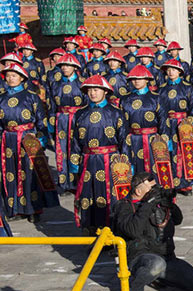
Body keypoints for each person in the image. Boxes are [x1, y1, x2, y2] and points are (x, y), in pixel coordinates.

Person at [112, 172, 193, 291]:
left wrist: (169, 204)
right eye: (151, 189)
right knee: (156, 264)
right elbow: (133, 230)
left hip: (166, 257)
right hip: (139, 256)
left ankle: (157, 278)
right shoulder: (124, 206)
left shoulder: (156, 203)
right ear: (138, 191)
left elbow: (178, 220)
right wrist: (148, 204)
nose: (154, 192)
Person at [0, 62, 58, 221]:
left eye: (14, 75)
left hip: (28, 138)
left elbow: (41, 120)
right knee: (10, 173)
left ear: (22, 78)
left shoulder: (31, 97)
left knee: (30, 173)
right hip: (8, 140)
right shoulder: (1, 98)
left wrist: (41, 139)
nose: (11, 78)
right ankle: (15, 209)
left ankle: (33, 209)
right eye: (8, 76)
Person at [71, 75, 128, 232]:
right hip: (88, 160)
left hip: (109, 159)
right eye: (89, 90)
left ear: (105, 91)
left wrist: (125, 163)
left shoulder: (116, 113)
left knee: (111, 196)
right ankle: (91, 230)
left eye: (96, 90)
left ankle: (113, 232)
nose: (93, 93)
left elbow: (124, 140)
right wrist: (74, 163)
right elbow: (75, 140)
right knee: (88, 195)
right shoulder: (80, 113)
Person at [158, 59, 193, 195]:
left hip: (182, 124)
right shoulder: (161, 89)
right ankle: (169, 182)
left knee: (184, 153)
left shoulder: (187, 87)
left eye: (173, 69)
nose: (170, 72)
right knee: (168, 153)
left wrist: (190, 124)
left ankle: (185, 184)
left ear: (179, 72)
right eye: (168, 70)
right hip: (167, 124)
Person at [48, 54, 85, 192]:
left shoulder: (82, 83)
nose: (65, 68)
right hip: (61, 119)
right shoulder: (56, 84)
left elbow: (87, 105)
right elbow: (52, 105)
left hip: (77, 119)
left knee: (76, 149)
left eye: (68, 65)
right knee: (61, 150)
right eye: (62, 65)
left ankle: (77, 181)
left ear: (75, 67)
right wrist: (51, 124)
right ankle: (63, 182)